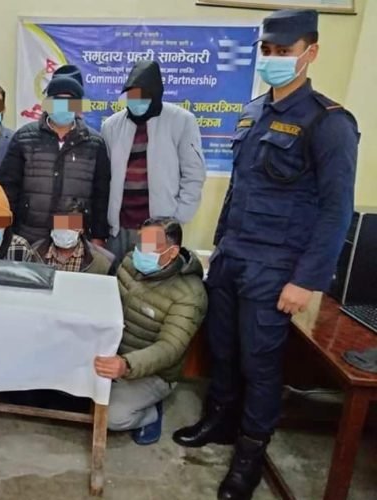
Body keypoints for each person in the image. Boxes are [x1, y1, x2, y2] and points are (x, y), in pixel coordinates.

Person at [172, 10, 359, 500]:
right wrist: (218, 248)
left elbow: (336, 210)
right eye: (268, 51)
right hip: (232, 258)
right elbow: (238, 191)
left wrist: (307, 279)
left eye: (285, 51)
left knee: (260, 363)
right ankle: (220, 420)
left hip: (276, 269)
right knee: (223, 349)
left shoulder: (328, 122)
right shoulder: (253, 111)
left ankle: (249, 455)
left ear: (310, 52)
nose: (274, 59)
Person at [94, 218, 207, 445]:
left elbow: (170, 348)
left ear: (172, 252)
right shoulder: (129, 262)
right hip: (113, 352)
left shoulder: (190, 294)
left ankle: (150, 414)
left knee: (112, 416)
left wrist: (127, 364)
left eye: (150, 246)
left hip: (152, 372)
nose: (140, 252)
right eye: (140, 243)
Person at [101, 60, 206, 260]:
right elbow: (104, 177)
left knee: (148, 275)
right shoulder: (111, 126)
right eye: (132, 95)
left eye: (144, 95)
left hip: (156, 228)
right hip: (118, 228)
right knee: (116, 274)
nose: (137, 101)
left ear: (156, 95)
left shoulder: (181, 121)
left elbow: (194, 174)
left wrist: (177, 218)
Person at [0, 72, 111, 246]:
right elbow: (7, 188)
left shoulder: (94, 143)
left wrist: (99, 235)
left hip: (73, 239)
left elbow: (101, 195)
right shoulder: (25, 137)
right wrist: (6, 230)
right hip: (28, 234)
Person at [33, 200, 114, 274]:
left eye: (72, 224)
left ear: (82, 229)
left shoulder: (100, 263)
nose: (65, 229)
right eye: (60, 223)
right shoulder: (34, 254)